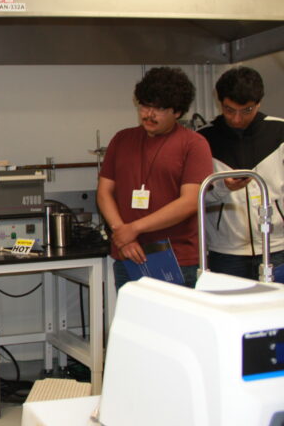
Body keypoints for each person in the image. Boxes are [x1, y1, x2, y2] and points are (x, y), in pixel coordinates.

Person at [98, 67, 214, 289]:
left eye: (159, 109)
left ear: (177, 111)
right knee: (133, 323)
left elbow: (190, 202)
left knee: (177, 323)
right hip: (128, 255)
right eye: (144, 105)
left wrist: (134, 229)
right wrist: (122, 233)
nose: (148, 114)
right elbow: (104, 191)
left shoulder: (194, 144)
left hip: (177, 259)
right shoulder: (122, 139)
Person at [197, 66, 284, 280]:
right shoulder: (203, 139)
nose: (237, 119)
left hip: (277, 246)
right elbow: (194, 198)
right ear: (220, 102)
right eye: (229, 110)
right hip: (226, 253)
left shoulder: (279, 132)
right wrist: (222, 188)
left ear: (259, 103)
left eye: (247, 110)